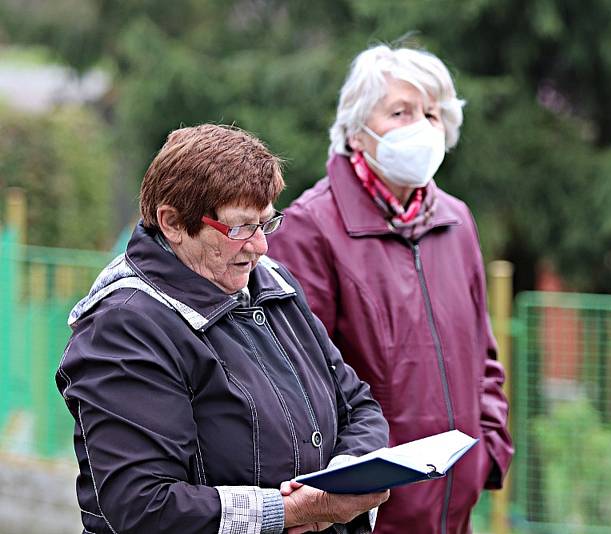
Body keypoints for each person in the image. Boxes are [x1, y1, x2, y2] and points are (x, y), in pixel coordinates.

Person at [56, 124, 390, 534]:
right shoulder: (124, 325)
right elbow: (142, 505)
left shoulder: (273, 284)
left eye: (266, 223)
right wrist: (291, 510)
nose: (260, 246)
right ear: (173, 223)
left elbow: (357, 405)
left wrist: (348, 477)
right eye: (240, 228)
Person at [269, 45, 513, 533]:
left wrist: (488, 454)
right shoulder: (310, 227)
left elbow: (484, 358)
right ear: (358, 131)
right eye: (400, 112)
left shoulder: (456, 221)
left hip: (453, 512)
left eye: (431, 113)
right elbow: (294, 383)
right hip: (364, 517)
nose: (420, 126)